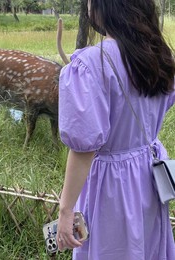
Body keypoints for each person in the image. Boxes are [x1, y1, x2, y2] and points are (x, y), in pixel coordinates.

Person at [56, 0, 175, 259]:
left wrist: (65, 211)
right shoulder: (157, 56)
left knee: (111, 249)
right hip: (149, 176)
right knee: (145, 246)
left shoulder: (90, 64)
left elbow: (84, 149)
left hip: (112, 184)